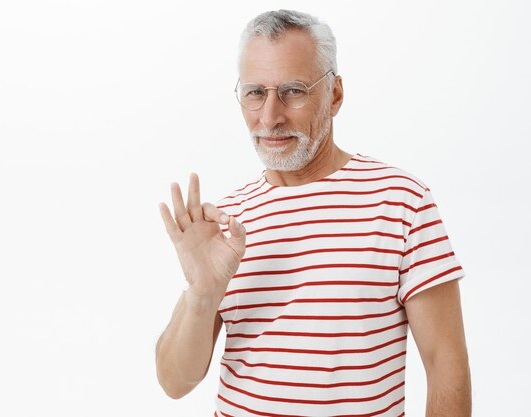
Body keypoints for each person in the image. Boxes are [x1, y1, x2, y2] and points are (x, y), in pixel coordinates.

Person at [156, 9, 471, 417]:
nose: (270, 117)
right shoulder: (225, 222)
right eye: (255, 93)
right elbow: (174, 382)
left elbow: (447, 368)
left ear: (335, 94)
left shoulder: (401, 201)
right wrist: (201, 294)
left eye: (293, 90)